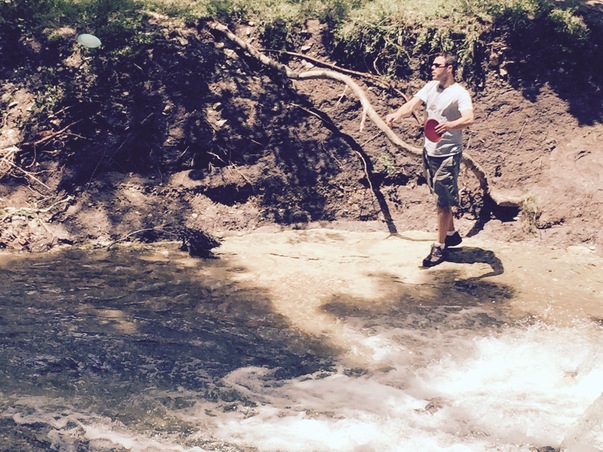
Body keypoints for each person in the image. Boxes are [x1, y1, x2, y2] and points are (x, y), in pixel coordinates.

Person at [385, 53, 474, 267]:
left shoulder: (460, 93)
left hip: (448, 154)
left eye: (437, 65)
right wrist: (397, 114)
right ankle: (451, 234)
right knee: (440, 196)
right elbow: (412, 105)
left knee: (442, 202)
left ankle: (439, 247)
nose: (432, 68)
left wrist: (450, 125)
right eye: (432, 64)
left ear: (449, 68)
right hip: (429, 151)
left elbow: (469, 118)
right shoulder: (430, 86)